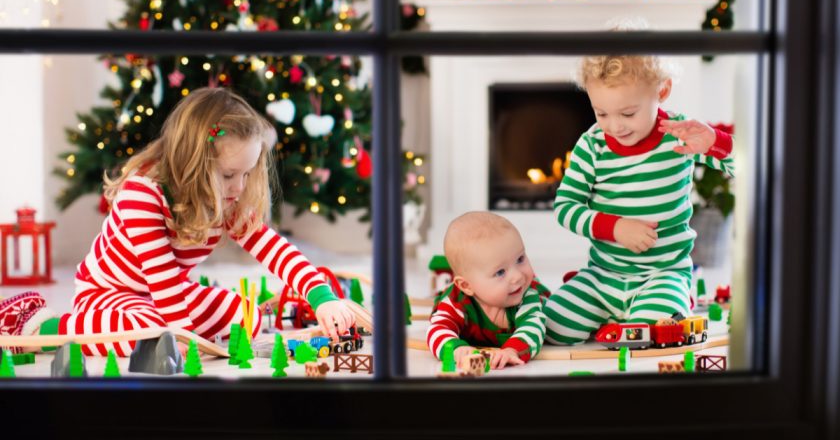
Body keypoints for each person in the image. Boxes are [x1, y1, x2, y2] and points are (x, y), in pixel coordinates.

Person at [0, 88, 354, 355]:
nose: (240, 187)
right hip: (108, 295)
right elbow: (162, 278)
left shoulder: (227, 197)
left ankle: (164, 331)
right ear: (193, 164)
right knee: (155, 331)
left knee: (242, 314)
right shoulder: (143, 195)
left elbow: (274, 248)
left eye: (246, 174)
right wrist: (182, 339)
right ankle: (38, 327)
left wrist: (320, 296)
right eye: (230, 174)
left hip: (160, 297)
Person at [544, 19, 734, 345]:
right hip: (603, 276)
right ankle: (609, 314)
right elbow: (565, 207)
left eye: (628, 113)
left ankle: (656, 312)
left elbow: (743, 165)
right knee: (553, 326)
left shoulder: (679, 134)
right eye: (601, 113)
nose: (614, 126)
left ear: (662, 91)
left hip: (663, 274)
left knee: (651, 327)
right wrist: (614, 227)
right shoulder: (592, 146)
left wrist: (715, 141)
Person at [426, 211, 548, 370]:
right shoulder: (456, 301)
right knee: (438, 312)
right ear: (466, 286)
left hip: (538, 295)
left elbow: (534, 327)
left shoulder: (526, 293)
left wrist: (512, 350)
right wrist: (456, 349)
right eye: (500, 272)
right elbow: (437, 330)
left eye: (520, 259)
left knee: (550, 309)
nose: (517, 276)